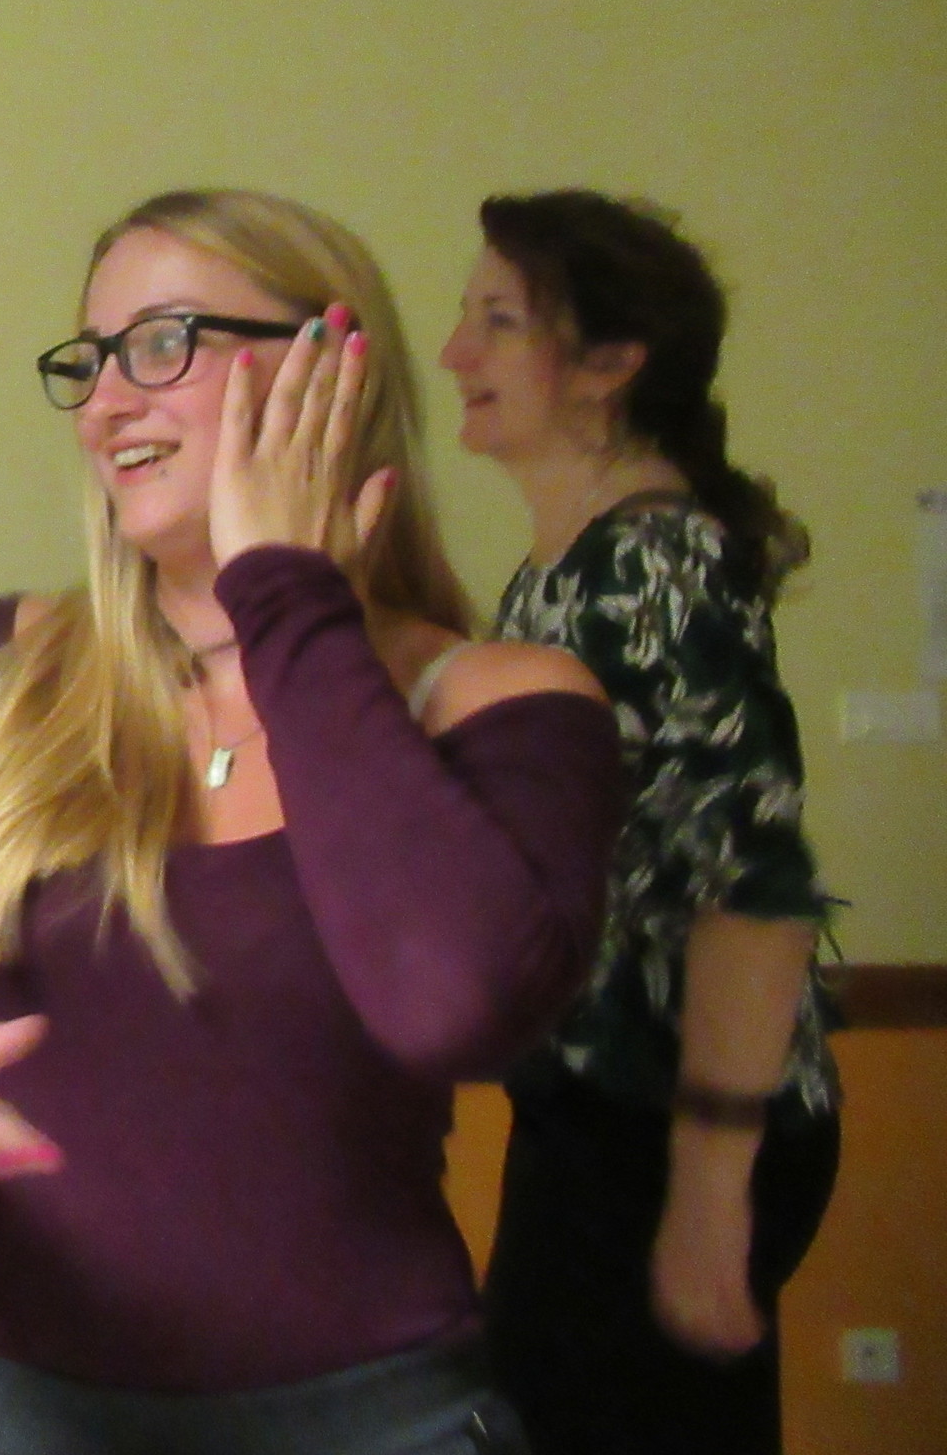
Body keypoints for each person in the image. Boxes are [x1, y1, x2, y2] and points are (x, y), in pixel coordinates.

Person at [0, 189, 627, 1455]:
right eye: (91, 360)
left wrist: (286, 598)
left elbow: (455, 1006)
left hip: (377, 1430)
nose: (107, 404)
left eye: (164, 344)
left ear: (331, 369)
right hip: (8, 1428)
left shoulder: (504, 702)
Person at [441, 191, 840, 1455]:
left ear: (611, 364)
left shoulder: (650, 569)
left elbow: (752, 882)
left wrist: (710, 1194)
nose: (455, 352)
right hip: (601, 1120)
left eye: (499, 322)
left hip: (671, 1133)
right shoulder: (565, 573)